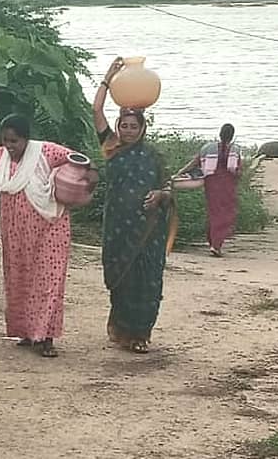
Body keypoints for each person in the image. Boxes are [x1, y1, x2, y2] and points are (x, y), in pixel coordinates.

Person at [0, 115, 94, 358]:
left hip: (49, 228)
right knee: (19, 278)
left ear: (26, 139)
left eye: (15, 141)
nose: (10, 146)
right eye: (6, 140)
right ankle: (27, 333)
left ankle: (47, 337)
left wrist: (87, 182)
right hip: (16, 232)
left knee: (48, 281)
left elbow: (81, 163)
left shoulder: (47, 151)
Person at [94, 57, 174, 354]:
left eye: (133, 126)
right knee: (121, 279)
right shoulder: (112, 148)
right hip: (118, 229)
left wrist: (160, 196)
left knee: (147, 279)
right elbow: (97, 110)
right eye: (124, 126)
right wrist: (108, 77)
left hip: (148, 231)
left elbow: (168, 186)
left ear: (142, 128)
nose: (127, 131)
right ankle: (122, 329)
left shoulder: (153, 156)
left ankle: (141, 334)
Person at [177, 124, 242, 257]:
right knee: (227, 213)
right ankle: (216, 244)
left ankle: (213, 241)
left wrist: (180, 173)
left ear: (220, 134)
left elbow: (194, 162)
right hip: (228, 184)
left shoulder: (208, 148)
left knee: (214, 212)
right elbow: (238, 170)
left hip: (211, 183)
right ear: (232, 136)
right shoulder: (235, 150)